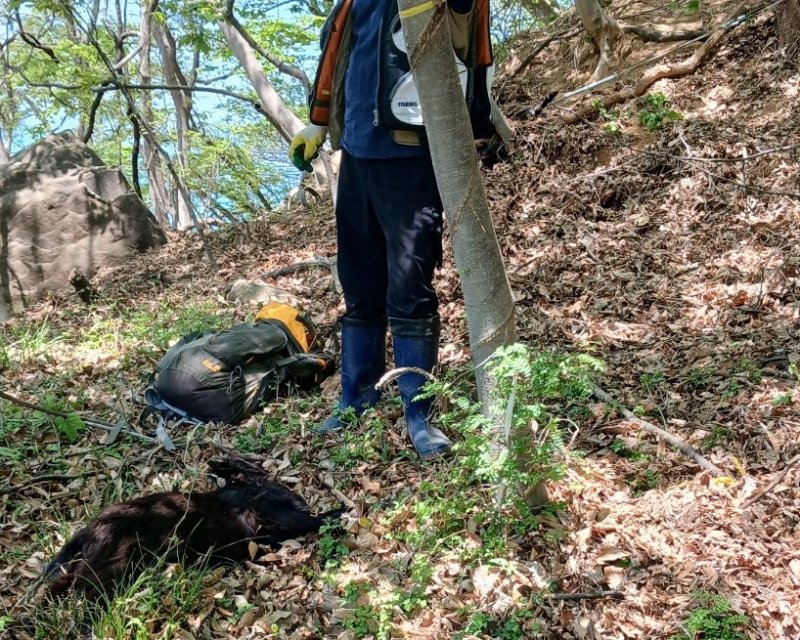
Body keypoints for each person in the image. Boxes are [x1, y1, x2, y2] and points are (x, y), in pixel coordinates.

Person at [288, 0, 509, 460]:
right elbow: (338, 56)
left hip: (412, 158)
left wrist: (482, 124)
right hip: (355, 160)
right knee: (360, 286)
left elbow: (475, 44)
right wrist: (316, 121)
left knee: (410, 288)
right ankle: (356, 398)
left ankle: (419, 413)